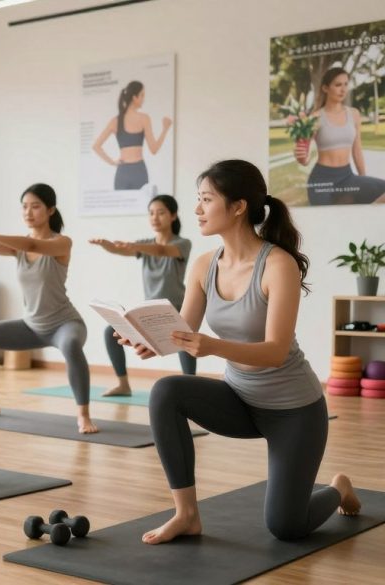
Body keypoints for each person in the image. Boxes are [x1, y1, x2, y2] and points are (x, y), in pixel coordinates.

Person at [121, 159, 360, 545]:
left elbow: (275, 352)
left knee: (287, 528)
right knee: (166, 391)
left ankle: (338, 488)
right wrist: (147, 340)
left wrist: (212, 347)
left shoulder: (277, 265)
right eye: (197, 200)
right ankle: (187, 515)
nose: (197, 210)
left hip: (293, 411)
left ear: (238, 207)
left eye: (206, 199)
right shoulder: (203, 265)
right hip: (238, 400)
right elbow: (183, 332)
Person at [0, 183, 97, 434]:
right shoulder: (19, 247)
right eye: (24, 207)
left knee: (72, 346)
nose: (28, 212)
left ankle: (83, 415)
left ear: (51, 210)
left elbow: (31, 246)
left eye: (36, 206)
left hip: (65, 324)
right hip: (31, 326)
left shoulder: (61, 243)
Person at [89, 194, 195, 396]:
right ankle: (123, 385)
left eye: (161, 212)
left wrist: (135, 246)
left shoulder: (182, 244)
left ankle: (191, 387)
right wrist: (106, 244)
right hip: (149, 313)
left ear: (173, 216)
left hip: (176, 311)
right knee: (109, 332)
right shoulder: (144, 245)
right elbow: (120, 250)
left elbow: (162, 250)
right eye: (151, 213)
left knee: (186, 341)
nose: (155, 218)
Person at [295, 67, 385, 205]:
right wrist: (302, 159)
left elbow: (357, 151)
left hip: (347, 177)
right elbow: (304, 155)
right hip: (321, 181)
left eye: (345, 84)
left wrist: (362, 179)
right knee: (325, 221)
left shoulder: (354, 114)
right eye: (338, 85)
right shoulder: (315, 117)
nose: (343, 89)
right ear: (325, 88)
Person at [92, 80, 173, 190]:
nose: (143, 99)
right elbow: (154, 149)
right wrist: (165, 129)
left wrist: (112, 162)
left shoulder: (115, 120)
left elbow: (96, 146)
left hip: (123, 172)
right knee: (141, 206)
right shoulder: (144, 118)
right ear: (135, 97)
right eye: (142, 95)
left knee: (122, 206)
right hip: (139, 171)